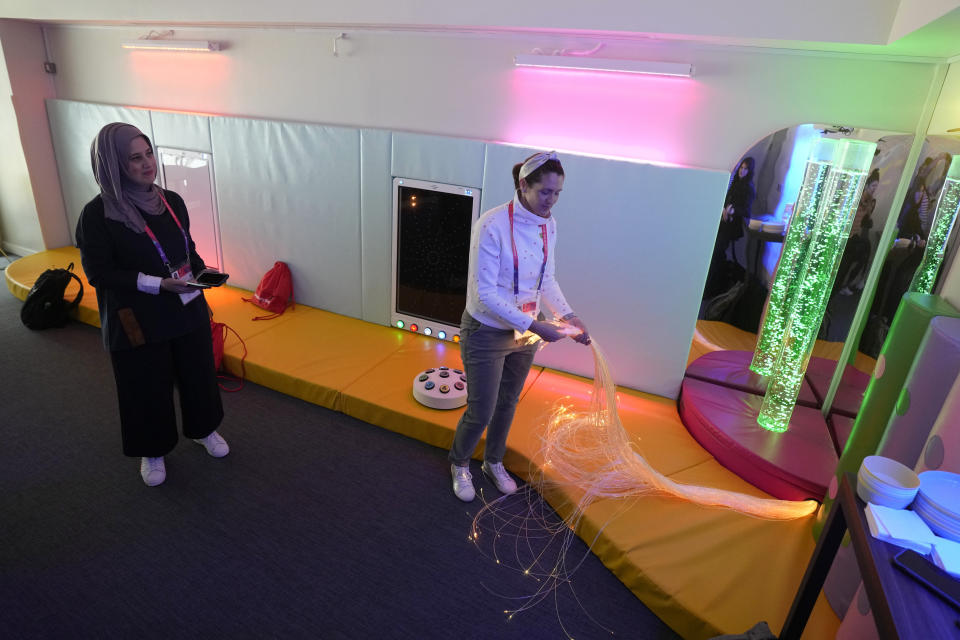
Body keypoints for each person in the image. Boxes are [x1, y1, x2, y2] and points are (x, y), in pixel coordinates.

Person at [76, 123, 229, 487]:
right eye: (135, 158)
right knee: (144, 385)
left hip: (185, 304)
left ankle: (203, 429)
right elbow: (100, 274)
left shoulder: (170, 201)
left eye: (149, 154)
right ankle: (153, 449)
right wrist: (157, 283)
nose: (147, 164)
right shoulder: (97, 215)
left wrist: (201, 271)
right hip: (137, 318)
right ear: (113, 164)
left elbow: (186, 250)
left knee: (198, 375)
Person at [448, 151, 590, 502]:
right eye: (545, 192)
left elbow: (547, 280)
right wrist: (536, 326)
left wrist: (569, 315)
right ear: (523, 185)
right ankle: (460, 463)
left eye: (557, 193)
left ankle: (493, 461)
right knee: (481, 408)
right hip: (486, 331)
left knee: (508, 401)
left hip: (526, 330)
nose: (551, 201)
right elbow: (485, 294)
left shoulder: (549, 225)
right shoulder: (492, 224)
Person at [836, 168, 880, 295]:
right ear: (866, 185)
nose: (874, 189)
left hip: (853, 238)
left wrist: (869, 208)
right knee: (838, 271)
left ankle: (840, 291)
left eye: (876, 187)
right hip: (844, 237)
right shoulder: (857, 198)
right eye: (873, 186)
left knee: (843, 271)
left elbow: (867, 220)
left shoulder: (869, 202)